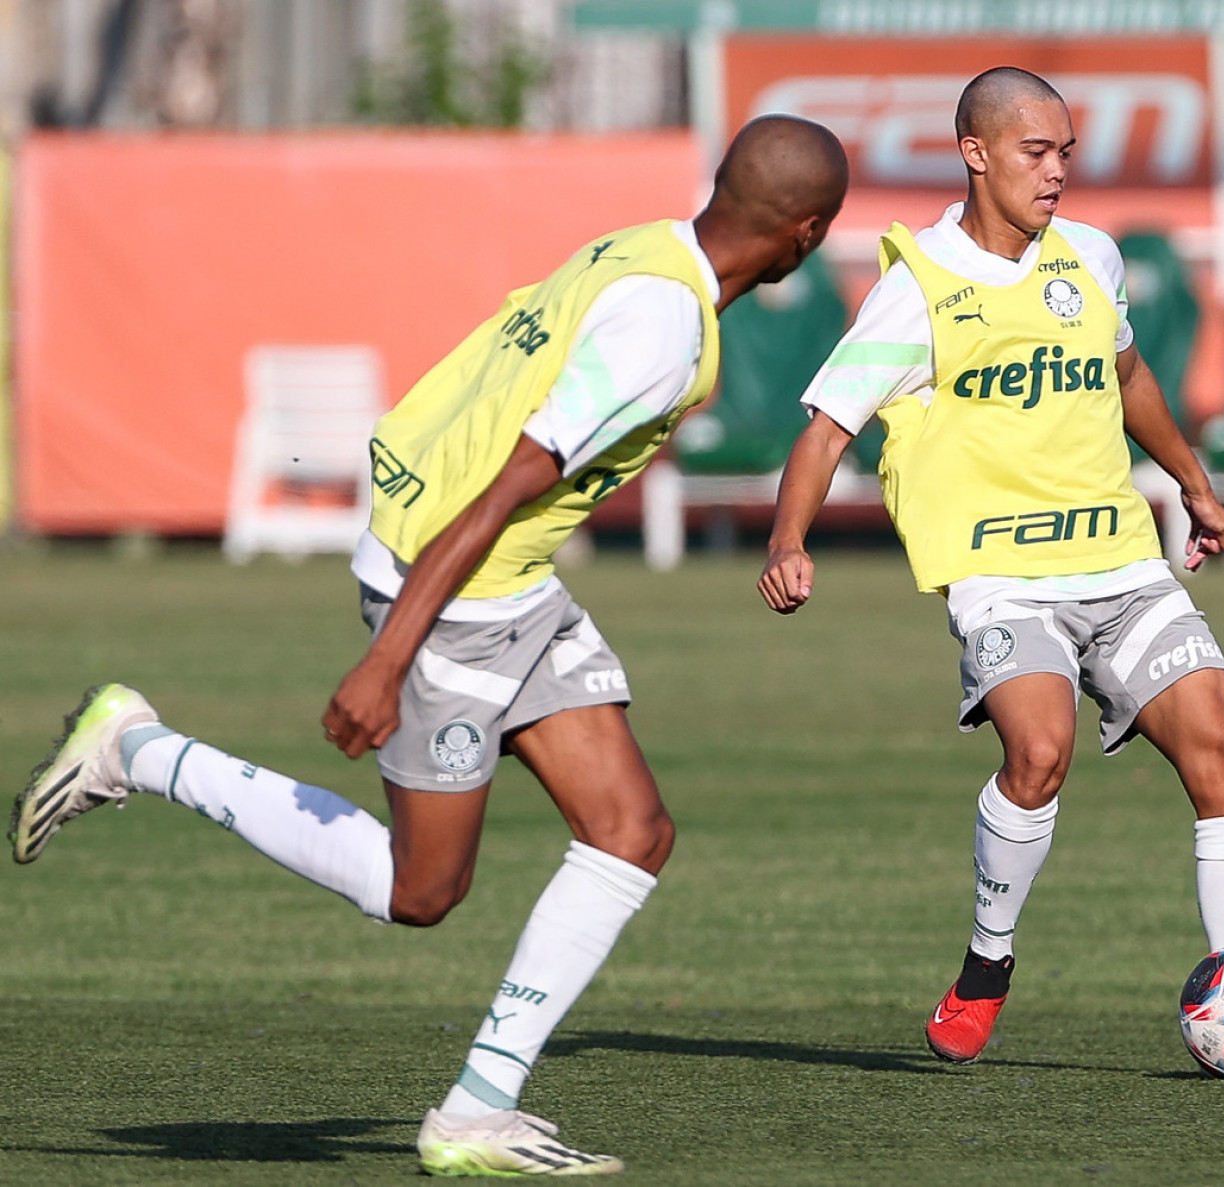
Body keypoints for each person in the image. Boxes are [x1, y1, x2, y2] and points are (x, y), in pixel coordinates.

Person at [13, 116, 850, 1176]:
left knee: (630, 828)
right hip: (452, 592)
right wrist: (389, 654)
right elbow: (510, 481)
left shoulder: (642, 248)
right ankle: (140, 750)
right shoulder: (667, 330)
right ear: (807, 232)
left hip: (504, 583)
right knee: (420, 891)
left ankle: (477, 1109)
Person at [757, 68, 1224, 1077]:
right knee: (1039, 750)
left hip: (1119, 560)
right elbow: (827, 426)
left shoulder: (1089, 258)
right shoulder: (917, 286)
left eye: (1066, 151)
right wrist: (788, 540)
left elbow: (1127, 373)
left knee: (1223, 749)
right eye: (1034, 151)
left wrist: (1192, 480)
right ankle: (986, 963)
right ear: (974, 153)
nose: (1056, 172)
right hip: (1001, 575)